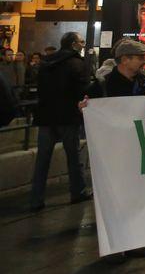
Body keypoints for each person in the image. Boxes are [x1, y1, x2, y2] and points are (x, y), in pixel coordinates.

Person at [79, 38, 145, 260]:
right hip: (111, 152)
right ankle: (115, 246)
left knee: (136, 197)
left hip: (138, 150)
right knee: (113, 197)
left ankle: (135, 242)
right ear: (125, 60)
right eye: (140, 57)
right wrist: (85, 108)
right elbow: (86, 106)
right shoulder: (102, 85)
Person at [30, 32, 91, 212]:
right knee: (73, 156)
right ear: (73, 44)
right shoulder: (77, 64)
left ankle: (36, 198)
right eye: (81, 42)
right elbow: (83, 90)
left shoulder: (45, 63)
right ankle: (78, 190)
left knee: (42, 159)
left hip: (45, 116)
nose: (82, 44)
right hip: (68, 116)